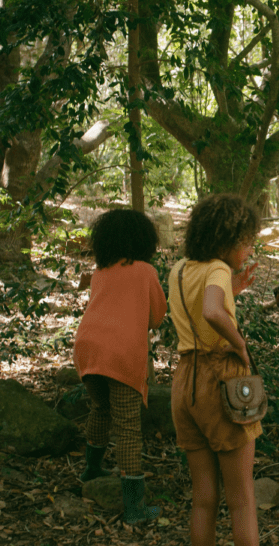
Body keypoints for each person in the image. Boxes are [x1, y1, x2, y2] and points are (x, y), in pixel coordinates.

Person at [168, 194, 262, 546]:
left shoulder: (179, 269)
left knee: (203, 498)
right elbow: (210, 311)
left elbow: (196, 313)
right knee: (241, 499)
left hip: (185, 383)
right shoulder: (218, 270)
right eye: (246, 243)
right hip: (219, 379)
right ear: (227, 241)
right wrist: (239, 343)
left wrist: (232, 295)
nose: (248, 250)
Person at [72, 209, 167, 524]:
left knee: (100, 409)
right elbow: (156, 317)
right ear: (143, 241)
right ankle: (135, 508)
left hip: (87, 349)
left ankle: (91, 470)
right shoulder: (145, 272)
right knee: (128, 427)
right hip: (121, 354)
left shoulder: (100, 273)